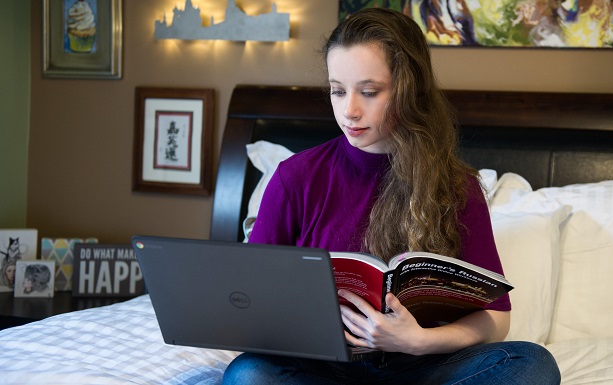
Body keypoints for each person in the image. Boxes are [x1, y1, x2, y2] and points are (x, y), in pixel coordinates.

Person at [223, 7, 561, 385]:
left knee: (532, 364)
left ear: (408, 88)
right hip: (325, 367)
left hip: (421, 367)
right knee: (249, 374)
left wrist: (419, 341)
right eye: (337, 91)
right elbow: (253, 299)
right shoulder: (295, 177)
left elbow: (496, 319)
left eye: (369, 92)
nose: (349, 110)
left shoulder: (456, 186)